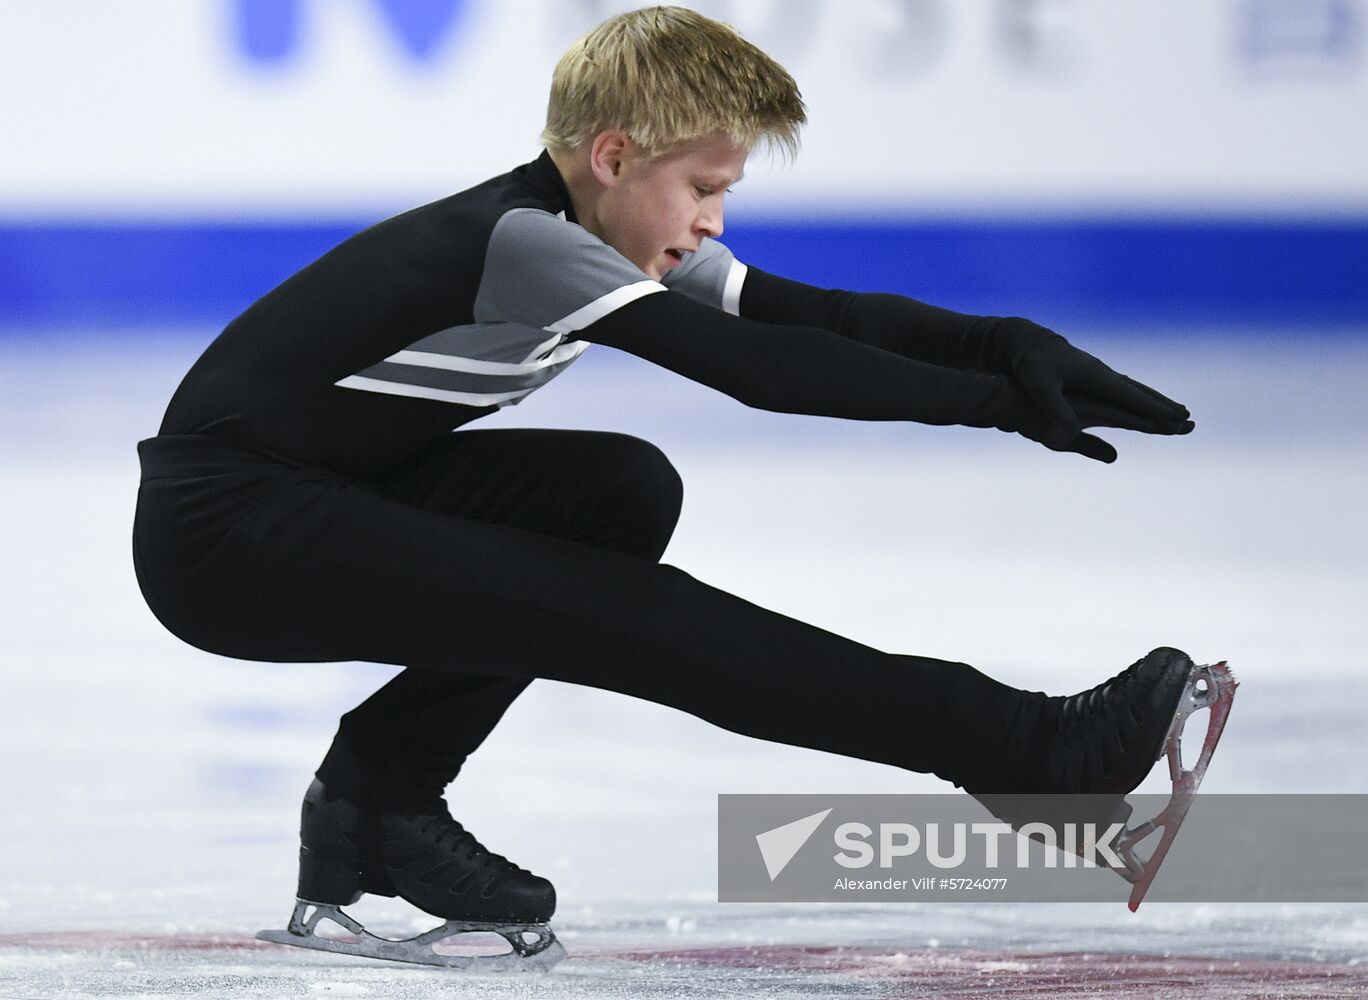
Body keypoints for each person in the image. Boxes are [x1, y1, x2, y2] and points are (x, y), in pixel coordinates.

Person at [132, 5, 1214, 969]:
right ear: (613, 156)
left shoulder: (602, 228)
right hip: (226, 536)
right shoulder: (525, 244)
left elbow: (816, 319)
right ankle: (1021, 751)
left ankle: (378, 803)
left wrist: (1006, 344)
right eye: (702, 190)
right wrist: (997, 406)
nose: (713, 222)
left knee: (618, 492)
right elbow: (763, 373)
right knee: (631, 620)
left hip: (309, 491)